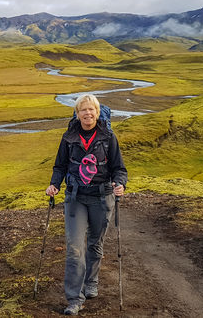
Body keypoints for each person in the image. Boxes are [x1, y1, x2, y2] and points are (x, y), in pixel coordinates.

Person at [45, 94, 128, 315]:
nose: (88, 113)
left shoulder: (108, 136)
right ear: (77, 113)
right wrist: (54, 184)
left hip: (102, 197)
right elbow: (59, 166)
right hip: (75, 197)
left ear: (97, 113)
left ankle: (91, 282)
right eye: (83, 110)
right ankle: (74, 298)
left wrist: (119, 184)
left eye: (91, 110)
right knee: (74, 248)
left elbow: (119, 168)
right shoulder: (68, 137)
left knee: (94, 244)